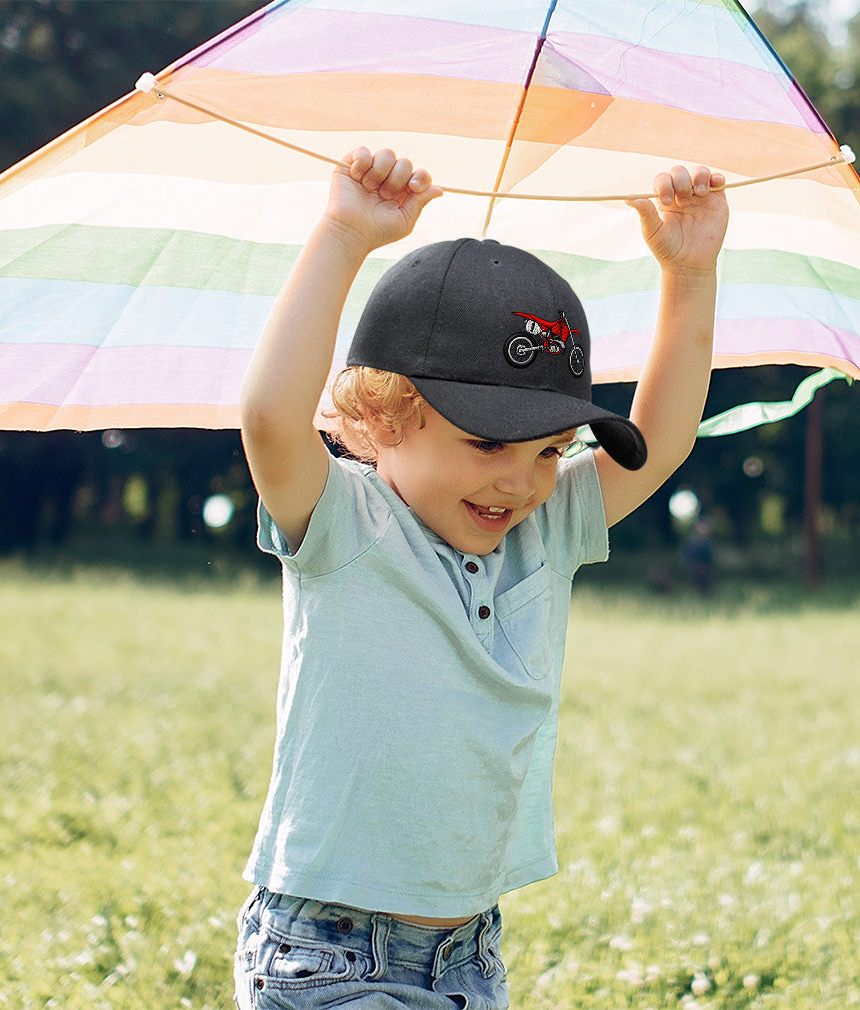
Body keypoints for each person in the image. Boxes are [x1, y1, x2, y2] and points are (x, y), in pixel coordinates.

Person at [235, 147, 728, 1008]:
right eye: (488, 442)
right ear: (383, 418)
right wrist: (346, 233)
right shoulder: (347, 524)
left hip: (467, 950)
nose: (522, 480)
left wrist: (688, 272)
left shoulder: (546, 531)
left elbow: (666, 437)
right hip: (332, 949)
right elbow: (272, 415)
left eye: (550, 450)